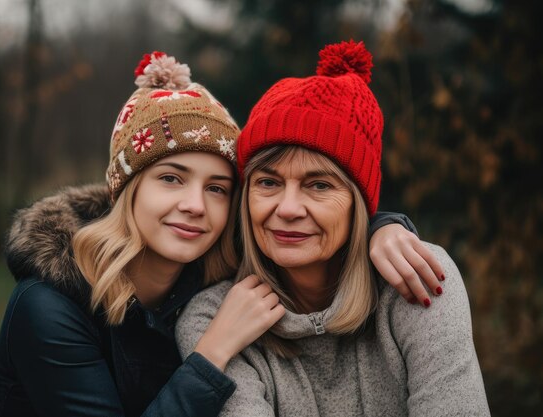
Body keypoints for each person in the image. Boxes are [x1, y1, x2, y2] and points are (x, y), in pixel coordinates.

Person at [0, 51, 440, 417]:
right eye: (171, 178)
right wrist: (212, 351)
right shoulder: (50, 306)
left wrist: (383, 229)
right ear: (127, 190)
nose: (195, 205)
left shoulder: (209, 271)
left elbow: (310, 223)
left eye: (217, 188)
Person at [176, 41, 490, 416]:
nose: (288, 209)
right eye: (268, 183)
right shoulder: (214, 321)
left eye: (319, 185)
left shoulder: (418, 278)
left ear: (359, 203)